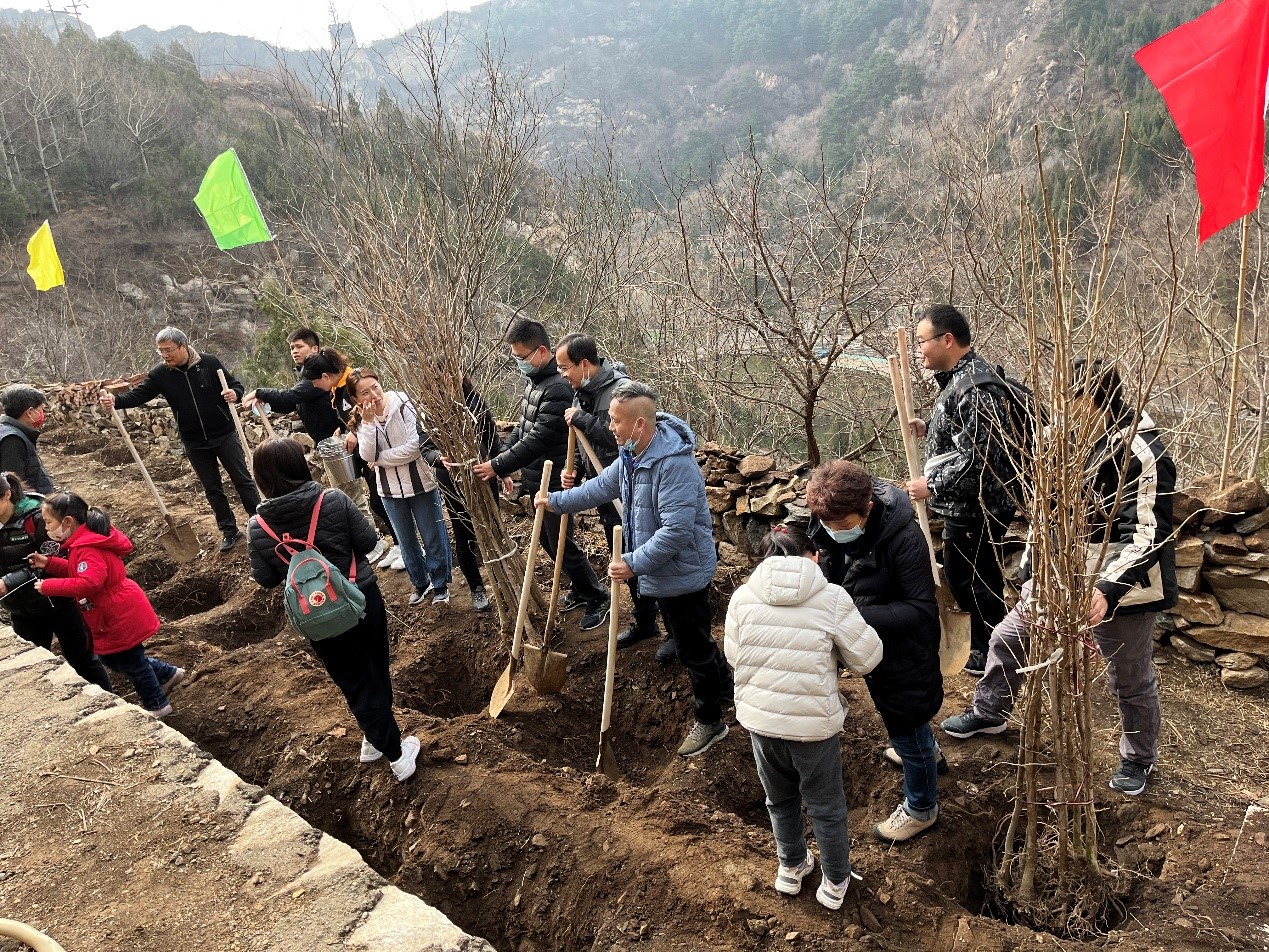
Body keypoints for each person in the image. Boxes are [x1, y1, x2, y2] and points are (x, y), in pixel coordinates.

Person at [940, 358, 1177, 797]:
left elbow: (1147, 533)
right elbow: (1042, 513)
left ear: (1094, 400)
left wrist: (1107, 589)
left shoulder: (1141, 451)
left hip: (1122, 585)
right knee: (1008, 638)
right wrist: (1034, 570)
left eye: (1070, 399)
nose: (1060, 408)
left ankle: (1138, 758)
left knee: (1129, 675)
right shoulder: (1056, 441)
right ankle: (991, 711)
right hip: (1058, 575)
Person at [543, 380, 732, 758]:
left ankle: (711, 720)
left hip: (682, 572)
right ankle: (726, 687)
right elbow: (599, 487)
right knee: (694, 638)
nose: (609, 427)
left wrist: (631, 563)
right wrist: (555, 502)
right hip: (662, 571)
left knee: (692, 647)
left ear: (640, 424)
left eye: (615, 420)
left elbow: (676, 533)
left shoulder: (673, 466)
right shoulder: (632, 455)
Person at [725, 524, 882, 909]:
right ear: (813, 556)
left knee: (779, 800)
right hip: (812, 726)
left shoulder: (743, 597)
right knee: (825, 805)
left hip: (761, 723)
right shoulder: (831, 597)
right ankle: (835, 882)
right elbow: (868, 658)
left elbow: (734, 655)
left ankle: (791, 867)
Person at [246, 437, 420, 782]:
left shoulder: (257, 526)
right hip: (359, 597)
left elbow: (265, 578)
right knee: (373, 668)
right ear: (300, 466)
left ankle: (373, 738)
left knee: (353, 679)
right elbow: (370, 542)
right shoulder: (333, 500)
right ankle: (398, 756)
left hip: (315, 613)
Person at [806, 459, 945, 843]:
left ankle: (921, 807)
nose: (836, 534)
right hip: (866, 638)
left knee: (906, 717)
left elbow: (920, 609)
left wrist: (849, 613)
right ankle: (927, 753)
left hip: (903, 647)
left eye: (845, 526)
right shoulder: (827, 519)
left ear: (867, 508)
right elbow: (828, 565)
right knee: (906, 722)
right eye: (829, 527)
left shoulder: (905, 539)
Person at [474, 318, 610, 629]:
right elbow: (522, 430)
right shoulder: (534, 383)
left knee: (559, 541)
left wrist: (497, 467)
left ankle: (597, 595)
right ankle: (582, 588)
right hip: (538, 478)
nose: (519, 363)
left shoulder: (559, 388)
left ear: (541, 352)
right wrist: (499, 458)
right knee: (554, 542)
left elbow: (540, 438)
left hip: (556, 477)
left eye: (522, 357)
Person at [905, 305, 1017, 676]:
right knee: (964, 574)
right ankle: (990, 643)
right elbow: (962, 436)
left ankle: (995, 648)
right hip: (968, 504)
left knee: (976, 580)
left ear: (947, 340)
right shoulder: (961, 379)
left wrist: (931, 483)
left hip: (980, 505)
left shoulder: (977, 388)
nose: (919, 349)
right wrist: (931, 426)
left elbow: (981, 457)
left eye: (922, 341)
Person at [99, 327, 260, 553]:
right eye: (160, 351)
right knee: (212, 488)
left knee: (242, 480)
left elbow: (235, 385)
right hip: (194, 441)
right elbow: (140, 395)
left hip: (223, 433)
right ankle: (229, 531)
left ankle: (259, 524)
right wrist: (115, 402)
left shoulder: (209, 363)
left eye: (168, 350)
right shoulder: (160, 375)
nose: (164, 355)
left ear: (183, 346)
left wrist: (235, 394)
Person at [555, 333, 663, 655]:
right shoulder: (581, 393)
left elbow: (622, 439)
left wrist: (584, 420)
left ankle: (667, 627)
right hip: (604, 489)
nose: (561, 374)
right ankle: (645, 623)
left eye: (565, 367)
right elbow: (584, 443)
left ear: (584, 364)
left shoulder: (620, 391)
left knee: (641, 556)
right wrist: (572, 469)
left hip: (628, 489)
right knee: (623, 557)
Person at [31, 492, 182, 718]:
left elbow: (89, 582)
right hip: (111, 612)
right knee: (116, 659)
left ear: (68, 522)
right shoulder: (82, 544)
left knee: (132, 662)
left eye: (49, 522)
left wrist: (50, 586)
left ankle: (157, 704)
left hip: (117, 614)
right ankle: (167, 673)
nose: (46, 528)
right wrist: (50, 563)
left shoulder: (86, 547)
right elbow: (78, 570)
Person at [251, 342, 396, 567]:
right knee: (375, 500)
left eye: (315, 381)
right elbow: (351, 415)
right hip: (359, 451)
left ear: (325, 376)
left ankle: (397, 545)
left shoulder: (351, 385)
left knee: (376, 500)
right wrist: (346, 427)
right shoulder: (336, 391)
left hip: (376, 453)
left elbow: (369, 411)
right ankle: (397, 545)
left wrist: (354, 430)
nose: (314, 386)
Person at [0, 472, 112, 691]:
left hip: (58, 603)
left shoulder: (38, 519)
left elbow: (54, 563)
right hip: (20, 609)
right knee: (32, 666)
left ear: (7, 495)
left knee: (82, 660)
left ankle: (110, 699)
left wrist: (8, 582)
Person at [353, 371, 453, 606]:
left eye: (375, 387)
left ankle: (440, 584)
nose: (373, 395)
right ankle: (420, 582)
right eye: (365, 392)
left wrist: (380, 459)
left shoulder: (403, 403)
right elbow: (366, 454)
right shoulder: (362, 419)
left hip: (420, 481)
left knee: (432, 536)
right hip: (388, 488)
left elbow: (414, 448)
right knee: (405, 540)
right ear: (356, 398)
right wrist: (367, 424)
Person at [418, 374, 497, 613]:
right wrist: (439, 459)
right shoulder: (429, 409)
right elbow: (425, 447)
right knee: (464, 534)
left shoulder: (473, 401)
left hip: (483, 470)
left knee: (492, 528)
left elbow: (491, 436)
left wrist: (501, 468)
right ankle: (477, 588)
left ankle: (502, 579)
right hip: (452, 477)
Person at [0, 385, 57, 494]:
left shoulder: (10, 431)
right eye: (40, 409)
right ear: (30, 412)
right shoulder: (12, 440)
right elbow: (13, 487)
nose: (42, 414)